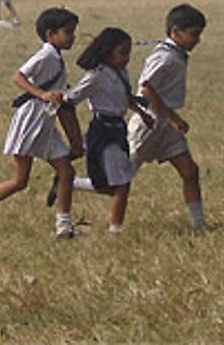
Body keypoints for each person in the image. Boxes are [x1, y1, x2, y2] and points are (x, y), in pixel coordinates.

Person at [0, 8, 81, 238]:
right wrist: (41, 94)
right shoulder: (46, 55)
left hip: (46, 122)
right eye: (68, 32)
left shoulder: (56, 57)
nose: (72, 37)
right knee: (20, 180)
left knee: (67, 173)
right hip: (31, 120)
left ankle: (63, 227)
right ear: (50, 34)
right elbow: (18, 77)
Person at [59, 27, 153, 233]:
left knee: (111, 185)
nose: (126, 58)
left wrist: (141, 113)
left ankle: (69, 184)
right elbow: (70, 100)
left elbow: (124, 97)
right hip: (103, 131)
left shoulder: (120, 72)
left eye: (128, 52)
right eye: (122, 53)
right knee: (121, 183)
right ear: (107, 52)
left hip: (119, 128)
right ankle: (115, 231)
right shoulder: (96, 76)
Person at [127, 3, 207, 231]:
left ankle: (198, 225)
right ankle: (70, 184)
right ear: (175, 32)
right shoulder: (165, 57)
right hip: (150, 122)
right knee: (120, 179)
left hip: (166, 125)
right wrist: (173, 117)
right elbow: (146, 89)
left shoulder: (175, 54)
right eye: (193, 34)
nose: (197, 40)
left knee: (190, 171)